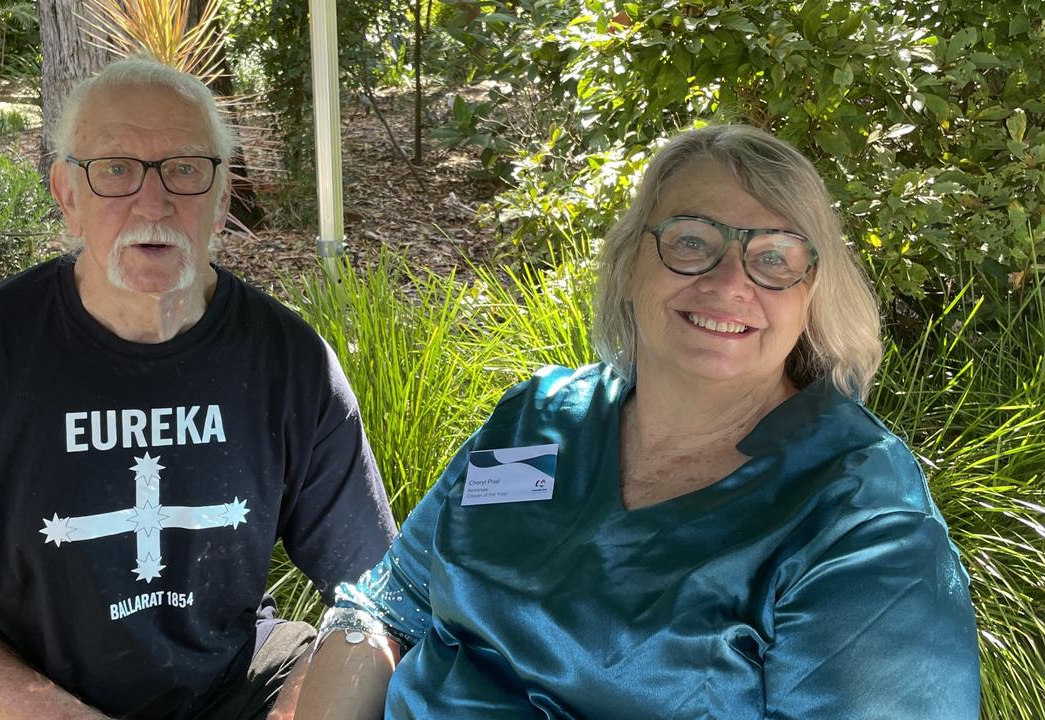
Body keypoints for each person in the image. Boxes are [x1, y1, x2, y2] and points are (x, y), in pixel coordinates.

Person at [294, 124, 981, 719]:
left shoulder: (855, 512)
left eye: (774, 256)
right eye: (692, 241)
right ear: (629, 262)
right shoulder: (540, 423)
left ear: (814, 295)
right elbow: (389, 608)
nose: (730, 281)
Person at [0, 55, 397, 720]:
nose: (153, 201)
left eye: (187, 169)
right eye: (115, 170)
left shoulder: (288, 362)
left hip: (226, 686)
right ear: (67, 195)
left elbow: (375, 592)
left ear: (222, 201)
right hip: (29, 698)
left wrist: (314, 699)